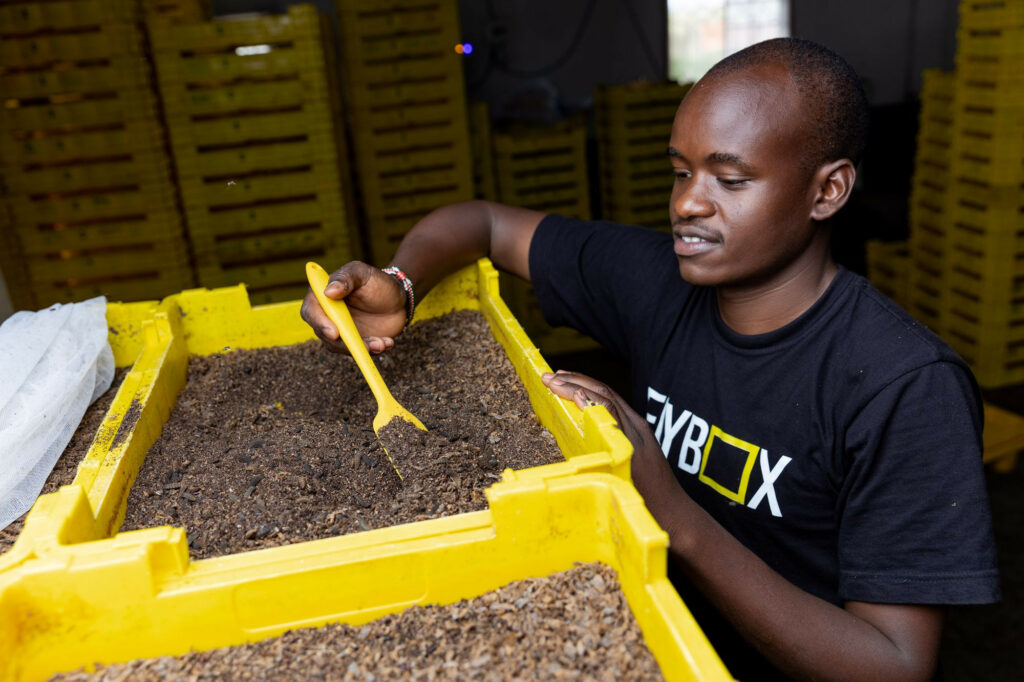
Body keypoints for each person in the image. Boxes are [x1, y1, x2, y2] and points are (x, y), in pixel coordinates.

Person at [301, 38, 1000, 681]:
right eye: (680, 171)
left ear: (827, 190)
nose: (688, 203)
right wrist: (401, 285)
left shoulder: (903, 387)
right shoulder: (656, 280)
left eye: (731, 180)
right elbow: (483, 223)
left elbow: (895, 665)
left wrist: (669, 510)